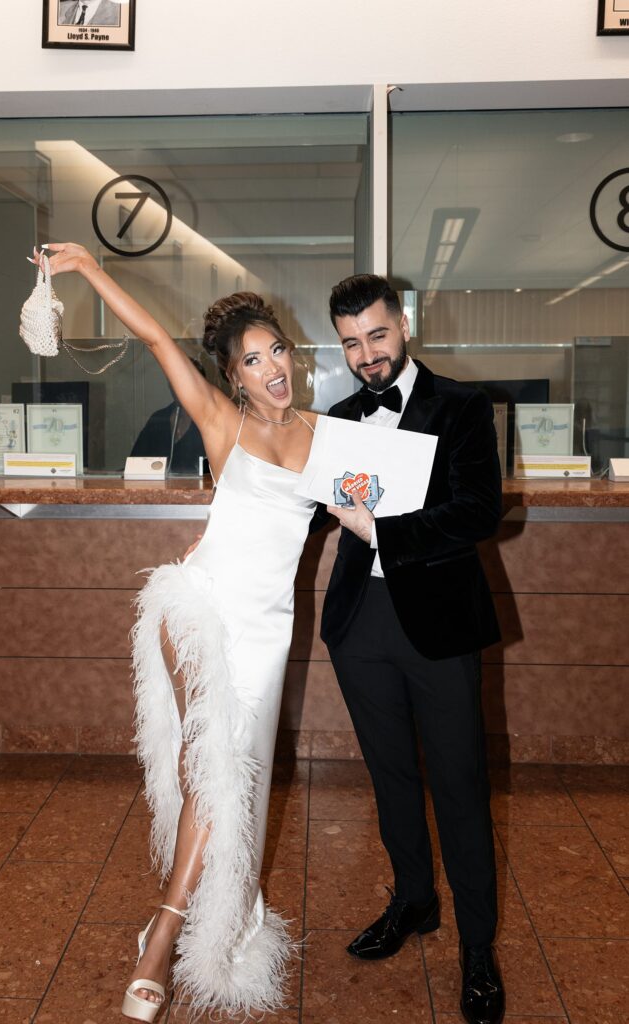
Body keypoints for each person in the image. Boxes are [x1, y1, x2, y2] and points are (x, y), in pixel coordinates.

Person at [30, 243, 317, 1022]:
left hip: (268, 635)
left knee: (226, 779)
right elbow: (158, 340)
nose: (272, 369)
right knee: (214, 768)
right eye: (253, 361)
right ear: (233, 377)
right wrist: (88, 270)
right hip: (201, 610)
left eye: (277, 351)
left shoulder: (327, 437)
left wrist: (367, 513)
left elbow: (374, 508)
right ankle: (163, 936)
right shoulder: (223, 423)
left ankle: (188, 921)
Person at [314, 274, 505, 1024]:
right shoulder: (337, 418)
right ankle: (413, 902)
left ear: (405, 324)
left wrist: (381, 532)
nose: (367, 356)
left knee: (458, 785)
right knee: (391, 779)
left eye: (377, 336)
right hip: (360, 626)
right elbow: (306, 514)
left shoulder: (460, 407)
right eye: (351, 344)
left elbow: (478, 513)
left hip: (439, 628)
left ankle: (478, 948)